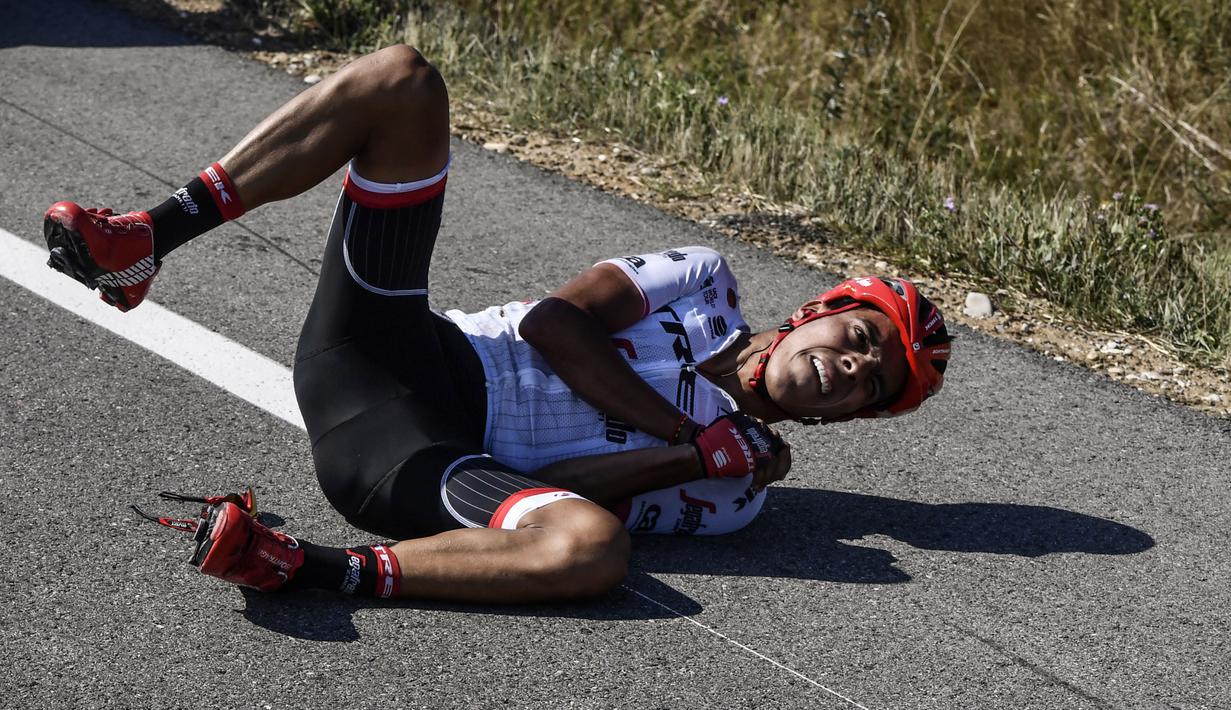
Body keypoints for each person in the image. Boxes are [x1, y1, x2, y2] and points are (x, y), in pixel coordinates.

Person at [42, 46, 952, 605]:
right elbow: (557, 323)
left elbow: (556, 493)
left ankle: (304, 567)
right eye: (860, 339)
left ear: (851, 419)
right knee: (403, 81)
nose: (851, 369)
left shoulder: (739, 495)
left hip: (421, 463)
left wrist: (692, 465)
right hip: (392, 351)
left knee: (595, 551)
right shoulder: (702, 281)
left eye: (873, 387)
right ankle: (148, 238)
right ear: (816, 313)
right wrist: (685, 432)